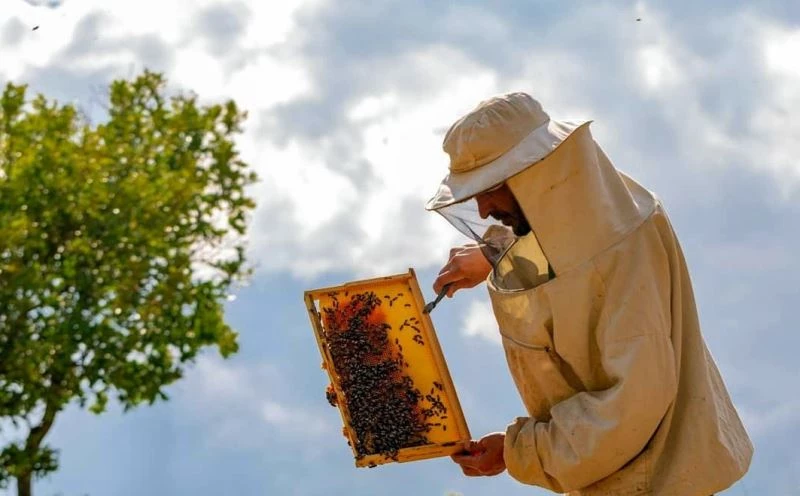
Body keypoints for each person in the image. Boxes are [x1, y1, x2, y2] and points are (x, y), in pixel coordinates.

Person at [425, 92, 753, 495]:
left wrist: (519, 453)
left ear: (537, 172)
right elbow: (569, 251)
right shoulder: (606, 215)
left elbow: (629, 407)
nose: (482, 209)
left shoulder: (619, 257)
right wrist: (496, 253)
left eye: (490, 187)